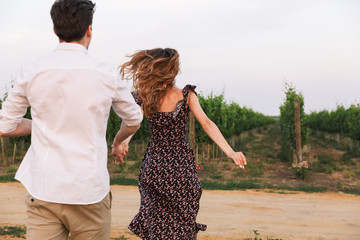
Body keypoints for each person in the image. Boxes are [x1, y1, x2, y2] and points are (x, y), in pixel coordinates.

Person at [0, 0, 143, 239]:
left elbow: (5, 126)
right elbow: (134, 119)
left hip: (44, 189)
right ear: (89, 29)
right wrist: (119, 142)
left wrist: (46, 126)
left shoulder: (31, 70)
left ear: (55, 30)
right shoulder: (105, 73)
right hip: (89, 192)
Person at [111, 48, 247, 239]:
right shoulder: (187, 95)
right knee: (182, 223)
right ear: (172, 71)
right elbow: (207, 124)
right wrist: (230, 152)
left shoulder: (144, 97)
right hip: (181, 167)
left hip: (155, 166)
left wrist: (122, 143)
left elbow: (133, 124)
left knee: (156, 225)